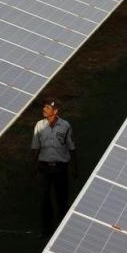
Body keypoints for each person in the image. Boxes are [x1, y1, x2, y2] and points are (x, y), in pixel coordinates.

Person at [31, 98, 77, 238]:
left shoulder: (65, 126)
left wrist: (75, 167)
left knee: (61, 199)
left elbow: (72, 148)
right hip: (44, 168)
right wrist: (34, 167)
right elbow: (35, 148)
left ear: (55, 111)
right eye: (44, 107)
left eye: (47, 108)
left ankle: (62, 230)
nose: (44, 110)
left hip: (60, 168)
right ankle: (46, 230)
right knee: (45, 200)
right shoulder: (39, 125)